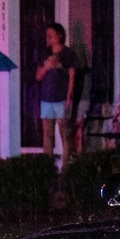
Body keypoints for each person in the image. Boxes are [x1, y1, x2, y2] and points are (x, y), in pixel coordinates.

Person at [35, 22, 77, 166]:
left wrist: (68, 98)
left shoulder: (68, 54)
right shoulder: (45, 54)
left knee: (64, 133)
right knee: (47, 134)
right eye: (47, 36)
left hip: (61, 99)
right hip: (46, 99)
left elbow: (72, 76)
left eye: (51, 35)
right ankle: (48, 167)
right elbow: (38, 77)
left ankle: (67, 167)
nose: (48, 38)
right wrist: (46, 67)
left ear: (59, 36)